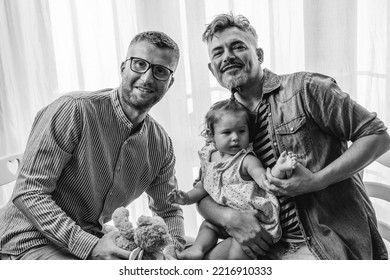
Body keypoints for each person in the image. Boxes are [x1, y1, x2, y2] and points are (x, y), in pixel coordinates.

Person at [197, 13, 390, 260]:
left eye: (238, 46)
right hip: (264, 241)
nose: (228, 56)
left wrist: (318, 180)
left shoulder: (306, 88)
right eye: (218, 53)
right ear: (212, 70)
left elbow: (377, 136)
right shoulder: (222, 120)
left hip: (323, 242)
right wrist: (229, 218)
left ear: (259, 56)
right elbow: (204, 190)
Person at [0, 31, 186, 260]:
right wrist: (90, 246)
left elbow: (168, 210)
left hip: (93, 236)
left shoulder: (161, 145)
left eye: (160, 71)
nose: (147, 78)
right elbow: (29, 192)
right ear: (123, 67)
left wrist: (170, 255)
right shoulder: (73, 110)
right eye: (139, 64)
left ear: (170, 82)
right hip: (28, 239)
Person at [167, 98, 297, 259]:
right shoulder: (209, 157)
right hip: (226, 220)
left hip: (254, 221)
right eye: (227, 132)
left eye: (241, 131)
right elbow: (203, 187)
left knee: (239, 247)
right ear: (211, 135)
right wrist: (186, 198)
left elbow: (265, 180)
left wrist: (279, 169)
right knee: (208, 225)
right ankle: (196, 250)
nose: (235, 137)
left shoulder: (246, 160)